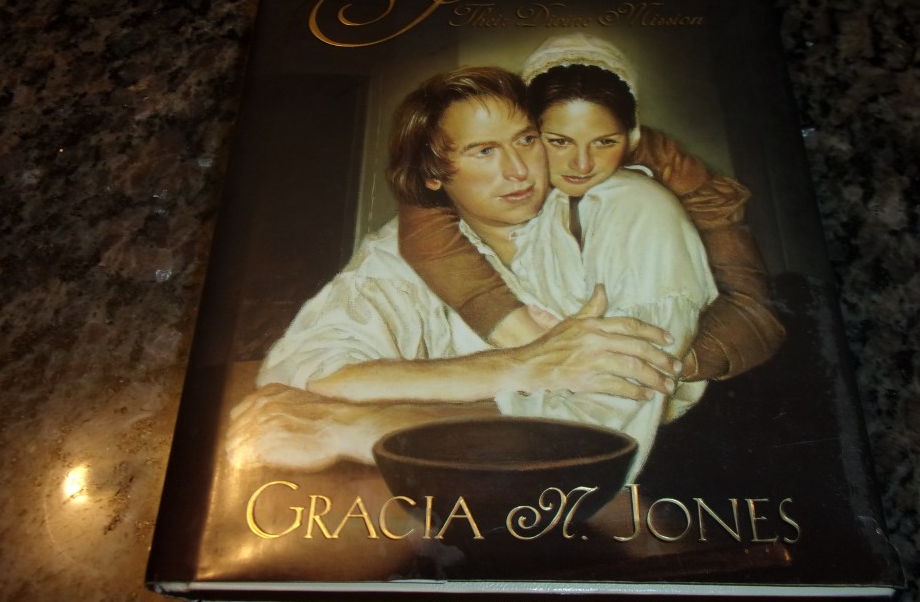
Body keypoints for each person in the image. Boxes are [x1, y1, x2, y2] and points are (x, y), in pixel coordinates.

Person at [226, 66, 716, 475]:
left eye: (527, 140)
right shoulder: (400, 250)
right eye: (484, 151)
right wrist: (520, 366)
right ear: (433, 175)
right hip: (461, 495)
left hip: (661, 488)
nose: (519, 170)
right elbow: (306, 371)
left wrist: (355, 427)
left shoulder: (631, 209)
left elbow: (603, 426)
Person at [397, 33, 785, 384]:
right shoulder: (497, 177)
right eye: (557, 141)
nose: (581, 164)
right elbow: (425, 213)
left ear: (630, 138)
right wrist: (522, 335)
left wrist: (662, 366)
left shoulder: (657, 171)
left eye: (604, 142)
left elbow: (753, 308)